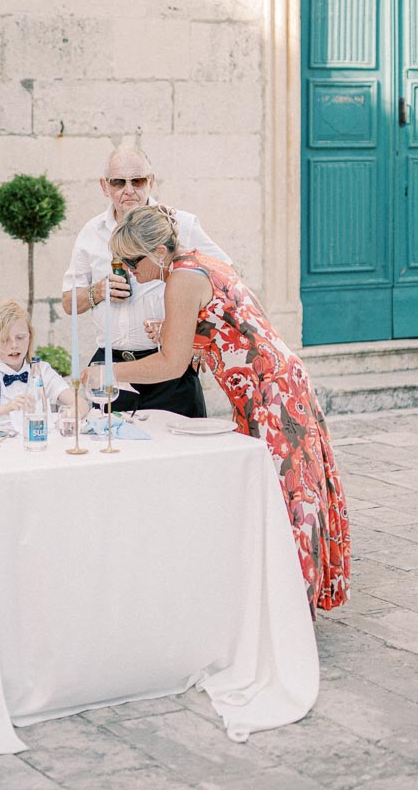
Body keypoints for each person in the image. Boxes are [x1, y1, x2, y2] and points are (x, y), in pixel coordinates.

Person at [100, 205, 350, 614]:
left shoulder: (178, 281)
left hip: (269, 395)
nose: (128, 271)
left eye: (132, 261)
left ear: (159, 252)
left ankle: (287, 610)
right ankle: (284, 602)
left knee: (285, 496)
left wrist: (106, 371)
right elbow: (235, 328)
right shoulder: (202, 263)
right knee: (286, 493)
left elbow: (170, 365)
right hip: (278, 384)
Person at [62, 146, 230, 417]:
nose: (129, 190)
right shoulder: (91, 233)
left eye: (137, 181)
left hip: (171, 373)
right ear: (105, 186)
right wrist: (98, 291)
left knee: (181, 456)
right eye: (119, 182)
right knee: (113, 452)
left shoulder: (181, 224)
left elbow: (225, 278)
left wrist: (198, 333)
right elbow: (68, 302)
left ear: (151, 182)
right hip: (114, 370)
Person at [0, 299, 77, 424]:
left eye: (20, 337)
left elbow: (78, 403)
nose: (14, 345)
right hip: (2, 442)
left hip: (37, 440)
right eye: (5, 340)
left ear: (29, 337)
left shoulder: (41, 370)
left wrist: (71, 413)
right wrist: (6, 408)